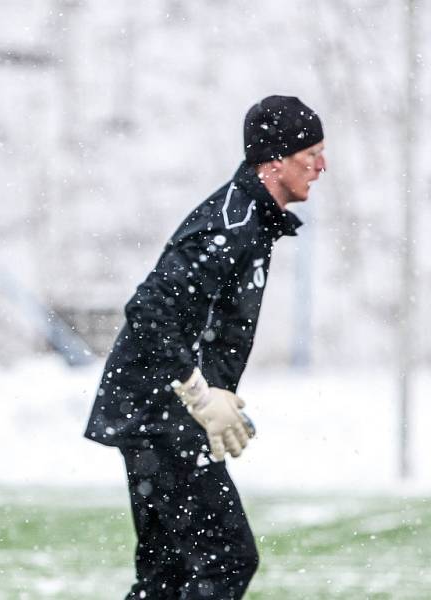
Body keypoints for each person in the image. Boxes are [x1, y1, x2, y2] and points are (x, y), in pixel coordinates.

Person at [85, 95, 325, 599]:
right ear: (275, 159)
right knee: (226, 558)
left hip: (158, 413)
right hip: (160, 413)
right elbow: (148, 310)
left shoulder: (254, 219)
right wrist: (198, 392)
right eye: (312, 155)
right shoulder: (229, 225)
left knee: (166, 576)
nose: (322, 166)